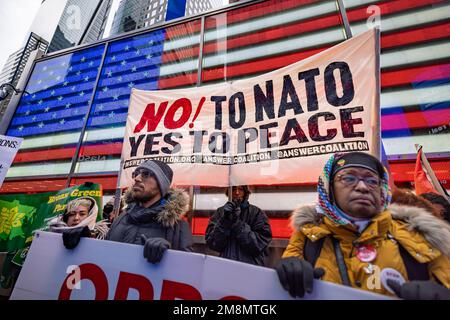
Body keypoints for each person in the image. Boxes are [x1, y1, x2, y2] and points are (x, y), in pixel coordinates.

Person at [276, 152, 450, 299]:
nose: (362, 187)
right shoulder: (308, 236)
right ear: (329, 188)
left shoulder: (420, 234)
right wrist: (285, 270)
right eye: (348, 178)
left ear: (382, 190)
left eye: (372, 181)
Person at [105, 160, 193, 263]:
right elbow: (104, 253)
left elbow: (188, 268)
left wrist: (169, 255)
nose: (137, 179)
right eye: (136, 174)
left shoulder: (178, 227)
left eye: (146, 174)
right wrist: (84, 242)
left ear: (161, 184)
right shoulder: (121, 217)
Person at [205, 185, 272, 266]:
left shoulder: (256, 213)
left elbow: (259, 244)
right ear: (228, 192)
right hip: (226, 266)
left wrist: (237, 224)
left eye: (240, 189)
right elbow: (213, 244)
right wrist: (225, 221)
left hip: (250, 268)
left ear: (245, 192)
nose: (237, 193)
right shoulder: (220, 213)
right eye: (233, 189)